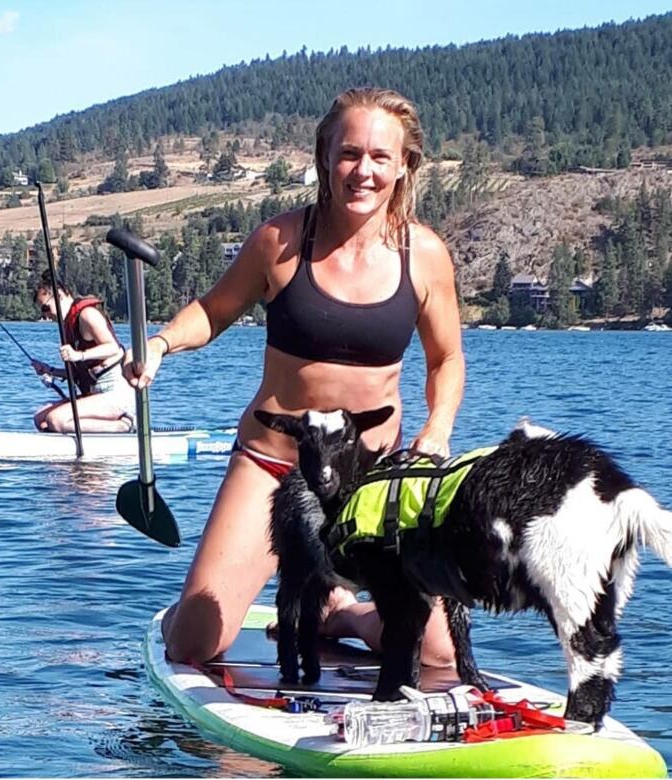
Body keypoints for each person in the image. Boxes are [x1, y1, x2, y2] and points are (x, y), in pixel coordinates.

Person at [124, 87, 465, 666]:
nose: (363, 170)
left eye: (381, 157)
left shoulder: (424, 254)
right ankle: (214, 596)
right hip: (271, 466)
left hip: (369, 482)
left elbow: (446, 360)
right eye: (349, 153)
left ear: (405, 164)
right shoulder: (279, 243)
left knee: (438, 652)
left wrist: (437, 431)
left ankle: (339, 609)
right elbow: (211, 312)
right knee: (193, 645)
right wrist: (160, 343)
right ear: (325, 156)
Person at [32, 274, 136, 433]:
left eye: (45, 308)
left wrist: (79, 355)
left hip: (116, 394)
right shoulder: (68, 324)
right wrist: (49, 370)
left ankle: (123, 426)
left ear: (59, 295)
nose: (45, 315)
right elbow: (78, 373)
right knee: (40, 418)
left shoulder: (87, 315)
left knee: (56, 420)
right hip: (96, 393)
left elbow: (112, 348)